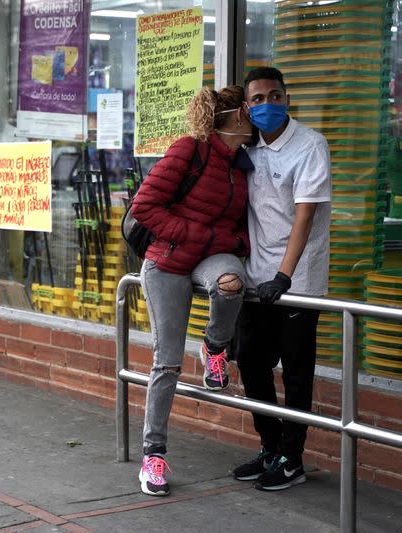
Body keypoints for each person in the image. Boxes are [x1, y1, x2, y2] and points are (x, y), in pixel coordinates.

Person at [130, 86, 254, 497]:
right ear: (235, 115)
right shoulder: (189, 150)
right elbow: (144, 205)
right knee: (166, 362)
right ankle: (154, 455)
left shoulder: (242, 164)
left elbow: (241, 220)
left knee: (232, 285)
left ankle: (215, 347)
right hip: (166, 262)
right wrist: (191, 233)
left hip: (210, 256)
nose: (256, 114)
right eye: (250, 108)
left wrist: (236, 242)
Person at [231, 67, 331, 492]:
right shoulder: (247, 148)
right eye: (258, 99)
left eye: (275, 96)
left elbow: (304, 216)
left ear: (287, 99)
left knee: (295, 372)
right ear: (247, 107)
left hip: (298, 279)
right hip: (256, 279)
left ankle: (293, 457)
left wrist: (284, 276)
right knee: (252, 363)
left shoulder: (310, 145)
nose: (267, 104)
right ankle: (271, 446)